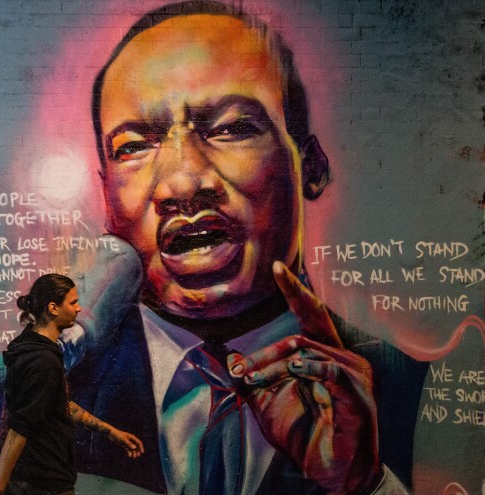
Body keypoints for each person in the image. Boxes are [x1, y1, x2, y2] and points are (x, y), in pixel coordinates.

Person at [66, 2, 428, 494]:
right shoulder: (51, 389)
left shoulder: (410, 390)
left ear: (312, 166)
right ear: (105, 193)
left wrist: (364, 487)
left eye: (233, 128)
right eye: (133, 146)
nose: (183, 182)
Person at [0, 274, 145, 495]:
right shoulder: (43, 361)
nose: (79, 309)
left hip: (33, 479)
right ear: (53, 308)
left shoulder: (29, 345)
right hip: (45, 483)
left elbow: (56, 404)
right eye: (73, 302)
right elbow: (19, 429)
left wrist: (109, 431)